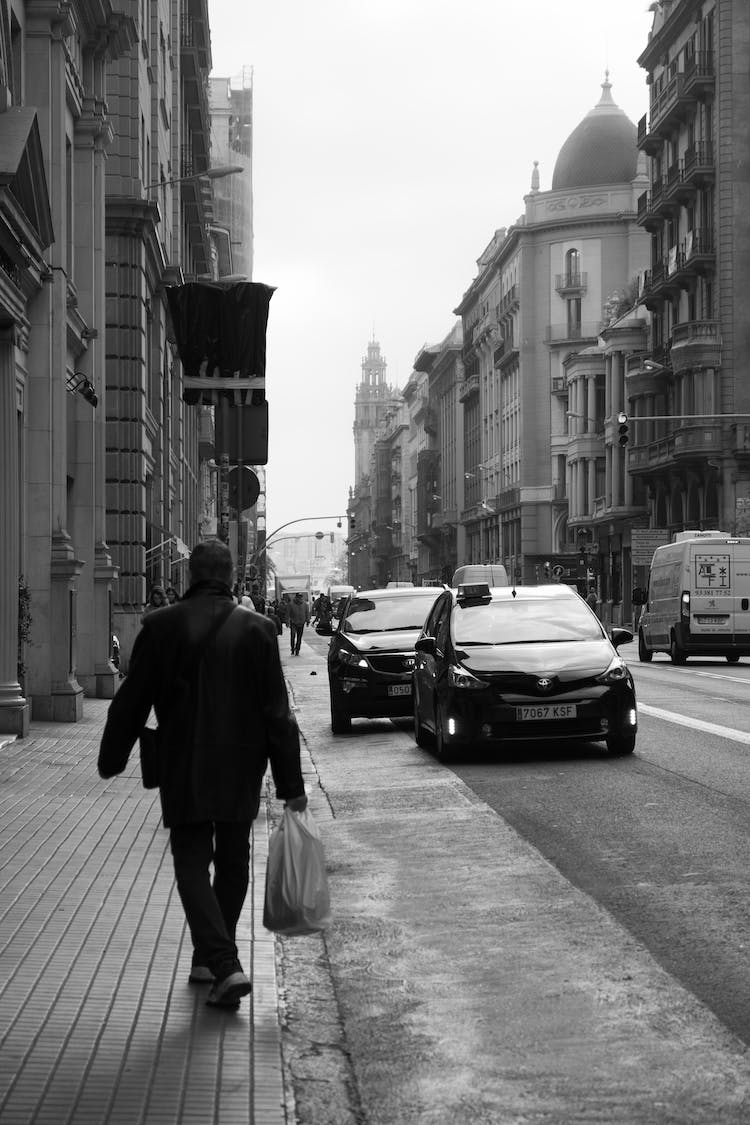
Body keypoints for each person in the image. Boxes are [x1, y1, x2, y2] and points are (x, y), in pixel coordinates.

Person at [97, 539, 307, 1010]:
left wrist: (113, 757)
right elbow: (278, 713)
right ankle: (216, 960)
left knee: (192, 862)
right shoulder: (259, 630)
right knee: (233, 863)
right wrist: (291, 786)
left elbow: (132, 701)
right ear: (232, 578)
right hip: (241, 764)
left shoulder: (160, 626)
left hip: (183, 761)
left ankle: (219, 963)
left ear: (191, 575)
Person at [287, 591, 308, 656]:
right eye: (298, 597)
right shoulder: (290, 604)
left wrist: (308, 620)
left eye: (300, 597)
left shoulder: (305, 604)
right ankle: (292, 648)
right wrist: (287, 621)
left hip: (301, 623)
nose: (299, 598)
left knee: (299, 637)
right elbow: (287, 613)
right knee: (293, 636)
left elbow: (307, 613)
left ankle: (297, 650)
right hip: (293, 622)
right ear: (296, 597)